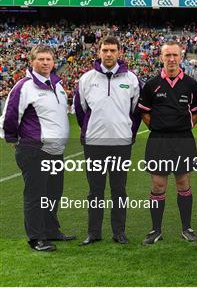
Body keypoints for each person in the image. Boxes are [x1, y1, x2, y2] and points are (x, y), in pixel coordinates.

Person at [0, 45, 75, 251]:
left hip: (55, 151)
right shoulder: (24, 86)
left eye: (48, 59)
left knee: (53, 193)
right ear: (31, 61)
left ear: (53, 62)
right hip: (35, 150)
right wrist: (14, 140)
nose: (45, 63)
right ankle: (36, 238)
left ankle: (51, 230)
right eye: (40, 59)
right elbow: (10, 116)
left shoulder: (57, 84)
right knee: (36, 195)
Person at [74, 36, 141, 245]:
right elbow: (80, 111)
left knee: (119, 190)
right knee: (95, 191)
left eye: (113, 50)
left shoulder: (131, 79)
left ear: (119, 52)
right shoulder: (86, 79)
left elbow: (136, 113)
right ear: (99, 51)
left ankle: (119, 232)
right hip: (94, 144)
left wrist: (126, 132)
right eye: (105, 50)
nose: (109, 54)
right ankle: (93, 232)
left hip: (121, 144)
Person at [137, 41, 197, 244]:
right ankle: (156, 230)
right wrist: (158, 126)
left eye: (175, 55)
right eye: (168, 55)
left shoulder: (190, 84)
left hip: (183, 139)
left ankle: (187, 228)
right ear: (161, 57)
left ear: (181, 57)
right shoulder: (152, 84)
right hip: (159, 140)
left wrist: (183, 127)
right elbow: (144, 112)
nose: (172, 59)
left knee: (183, 183)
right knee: (158, 185)